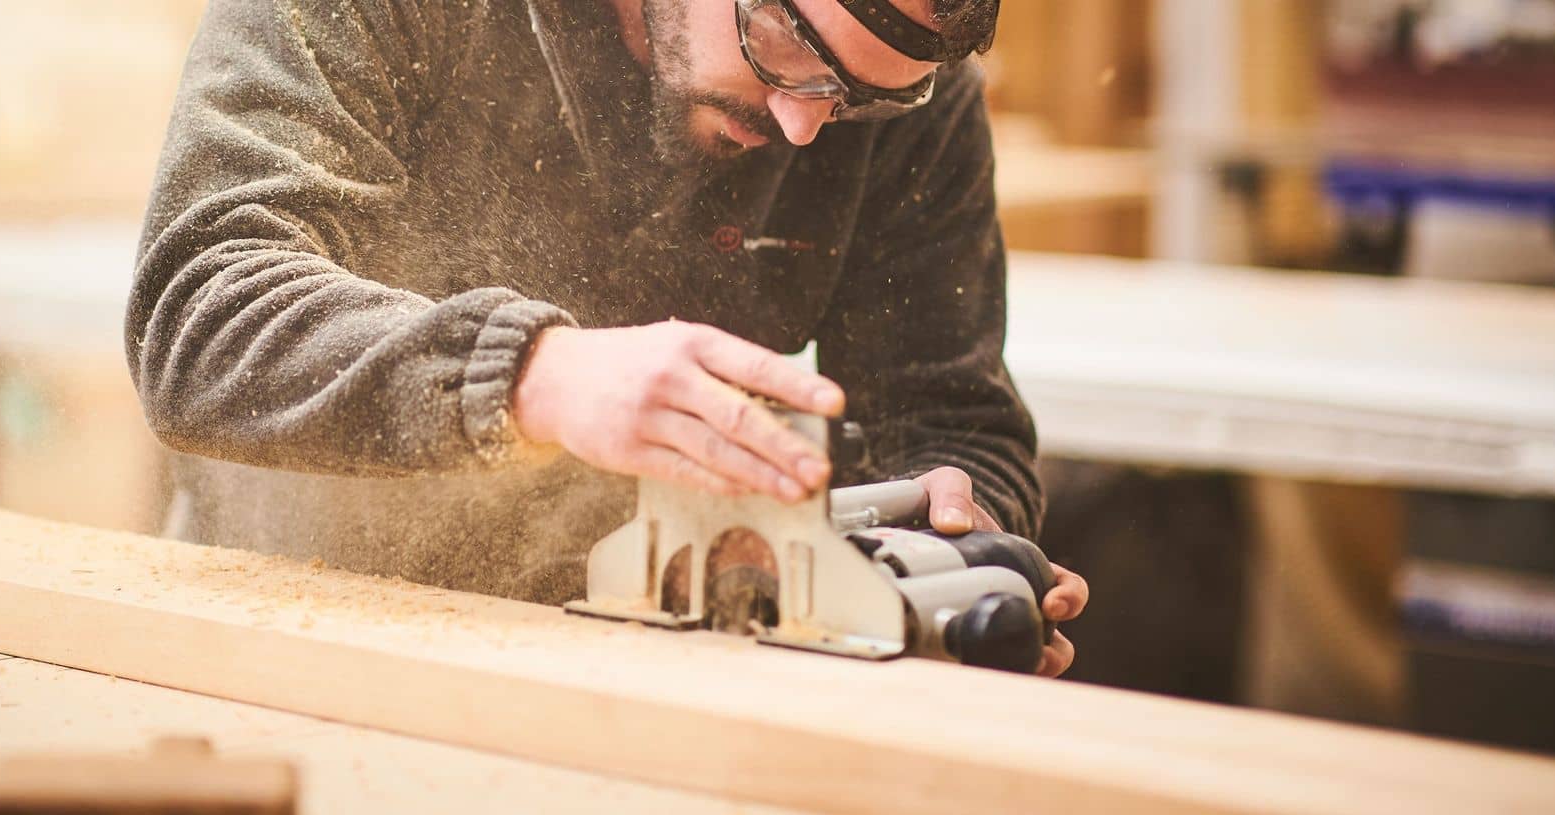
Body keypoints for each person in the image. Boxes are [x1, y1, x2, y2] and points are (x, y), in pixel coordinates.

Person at [129, 0, 1089, 674]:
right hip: (303, 640)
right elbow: (199, 305)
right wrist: (538, 378)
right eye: (782, 36)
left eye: (858, 99)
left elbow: (949, 415)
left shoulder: (886, 84)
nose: (805, 123)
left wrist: (944, 558)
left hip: (659, 678)